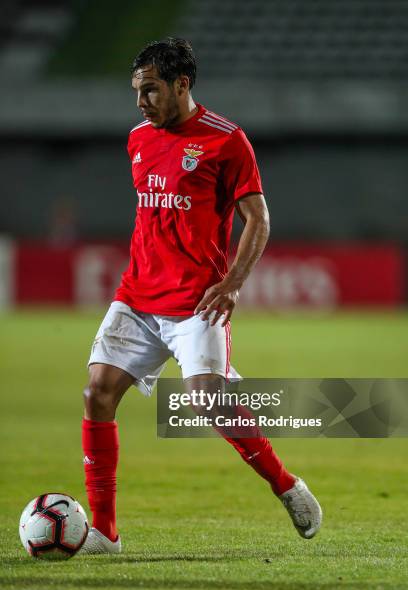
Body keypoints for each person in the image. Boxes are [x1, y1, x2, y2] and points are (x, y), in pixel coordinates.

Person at [80, 37, 322, 554]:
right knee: (97, 392)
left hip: (197, 301)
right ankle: (104, 532)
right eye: (137, 92)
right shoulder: (138, 139)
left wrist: (233, 282)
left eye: (149, 91)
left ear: (181, 84)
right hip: (139, 295)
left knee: (207, 397)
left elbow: (257, 218)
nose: (140, 102)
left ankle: (286, 485)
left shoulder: (226, 140)